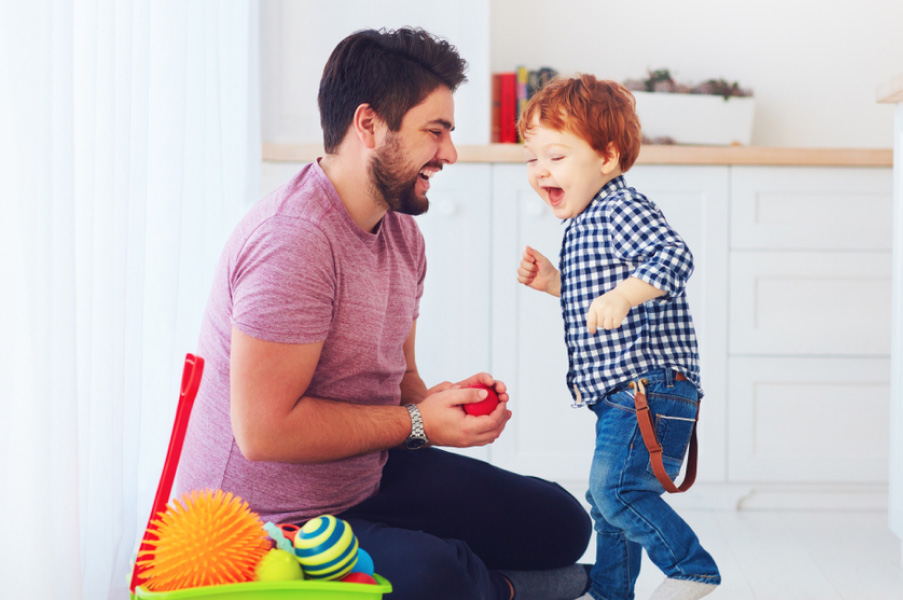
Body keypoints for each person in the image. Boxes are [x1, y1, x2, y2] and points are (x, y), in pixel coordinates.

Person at [176, 27, 592, 600]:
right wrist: (419, 424)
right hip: (270, 517)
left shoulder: (401, 233)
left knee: (562, 523)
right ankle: (500, 588)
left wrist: (439, 404)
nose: (449, 153)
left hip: (363, 475)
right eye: (435, 132)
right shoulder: (293, 243)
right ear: (368, 125)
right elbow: (264, 430)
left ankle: (484, 581)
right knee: (436, 576)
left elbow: (397, 385)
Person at [516, 74, 721, 600]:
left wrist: (626, 295)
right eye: (533, 159)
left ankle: (691, 569)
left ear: (606, 158)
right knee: (604, 496)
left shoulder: (618, 208)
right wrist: (555, 284)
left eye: (556, 157)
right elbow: (599, 304)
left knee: (617, 490)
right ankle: (611, 590)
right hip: (624, 392)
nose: (541, 171)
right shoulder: (582, 222)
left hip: (649, 386)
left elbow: (675, 257)